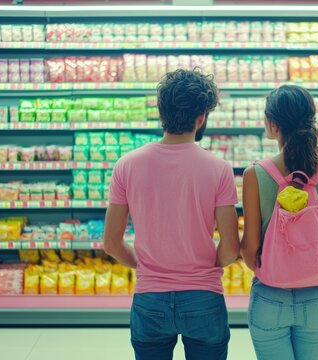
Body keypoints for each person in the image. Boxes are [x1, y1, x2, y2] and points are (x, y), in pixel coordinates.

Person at [103, 69, 240, 360]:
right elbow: (230, 249)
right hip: (204, 298)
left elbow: (112, 244)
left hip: (149, 297)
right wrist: (207, 265)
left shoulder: (126, 165)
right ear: (201, 116)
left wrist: (146, 265)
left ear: (160, 111)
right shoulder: (219, 169)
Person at [241, 85, 318, 360]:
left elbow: (250, 249)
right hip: (317, 302)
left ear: (272, 124)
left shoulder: (255, 174)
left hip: (270, 299)